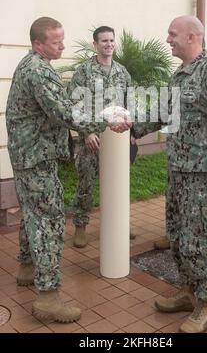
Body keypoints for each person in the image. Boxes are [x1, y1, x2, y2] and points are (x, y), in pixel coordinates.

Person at [5, 17, 129, 324]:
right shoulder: (38, 70)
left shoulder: (35, 64)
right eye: (56, 42)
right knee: (49, 220)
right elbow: (64, 110)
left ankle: (26, 268)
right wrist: (105, 122)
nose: (62, 45)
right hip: (36, 156)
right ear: (38, 44)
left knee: (32, 213)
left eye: (63, 40)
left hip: (30, 155)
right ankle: (48, 296)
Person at [132, 15, 207, 333]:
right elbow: (164, 111)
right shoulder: (180, 75)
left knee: (198, 241)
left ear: (193, 37)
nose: (168, 39)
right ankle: (187, 291)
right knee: (178, 237)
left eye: (173, 34)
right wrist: (132, 127)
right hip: (178, 170)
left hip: (202, 173)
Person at [68, 25, 136, 248]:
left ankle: (119, 223)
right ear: (95, 44)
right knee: (86, 183)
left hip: (117, 139)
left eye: (111, 40)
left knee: (118, 182)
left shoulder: (121, 72)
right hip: (92, 139)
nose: (108, 44)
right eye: (104, 41)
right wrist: (86, 131)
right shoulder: (84, 71)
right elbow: (74, 105)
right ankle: (80, 225)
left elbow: (130, 102)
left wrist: (132, 132)